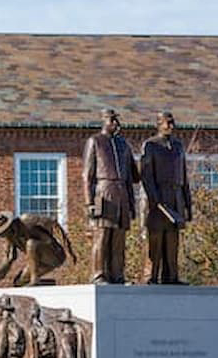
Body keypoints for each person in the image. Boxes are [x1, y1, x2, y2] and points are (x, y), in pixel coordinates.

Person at [83, 109, 138, 283]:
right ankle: (98, 274)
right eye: (112, 120)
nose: (116, 123)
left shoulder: (123, 145)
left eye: (117, 120)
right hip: (103, 191)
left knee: (119, 239)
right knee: (102, 236)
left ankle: (118, 275)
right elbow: (87, 175)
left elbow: (132, 177)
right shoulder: (95, 141)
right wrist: (88, 203)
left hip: (121, 193)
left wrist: (131, 204)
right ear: (104, 121)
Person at [139, 110, 193, 284]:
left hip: (176, 196)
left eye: (172, 122)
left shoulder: (178, 146)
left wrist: (187, 205)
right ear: (159, 124)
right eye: (167, 122)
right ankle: (151, 276)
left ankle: (172, 276)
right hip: (158, 198)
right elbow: (146, 175)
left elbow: (184, 177)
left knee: (172, 241)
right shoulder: (151, 145)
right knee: (155, 240)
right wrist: (154, 199)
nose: (171, 125)